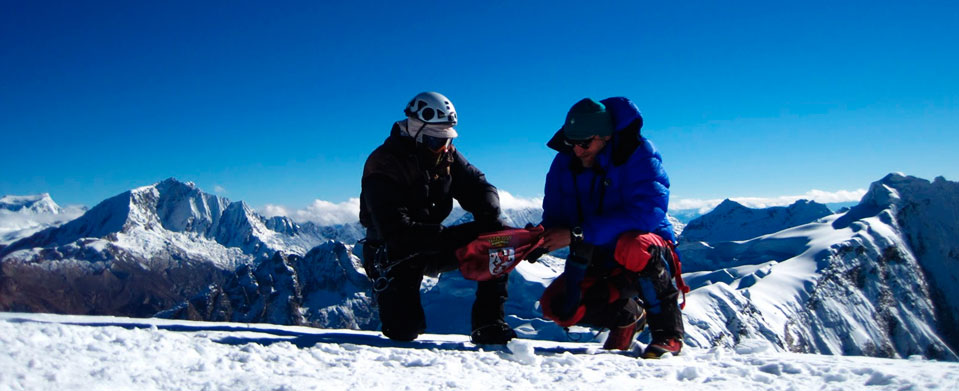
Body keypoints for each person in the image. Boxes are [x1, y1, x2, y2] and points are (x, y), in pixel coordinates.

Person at [359, 91, 517, 344]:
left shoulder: (446, 155)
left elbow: (479, 186)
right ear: (415, 131)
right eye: (435, 140)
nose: (443, 147)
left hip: (431, 243)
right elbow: (398, 232)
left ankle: (489, 324)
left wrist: (489, 216)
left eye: (447, 140)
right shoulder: (383, 164)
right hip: (394, 253)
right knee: (404, 330)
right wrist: (464, 234)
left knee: (499, 241)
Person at [538, 97, 687, 358]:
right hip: (596, 251)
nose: (577, 150)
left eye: (585, 143)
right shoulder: (564, 163)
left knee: (632, 246)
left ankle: (668, 335)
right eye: (571, 142)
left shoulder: (638, 154)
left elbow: (647, 213)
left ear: (605, 137)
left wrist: (577, 234)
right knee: (558, 306)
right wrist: (537, 239)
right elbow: (556, 215)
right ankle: (628, 316)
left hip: (646, 251)